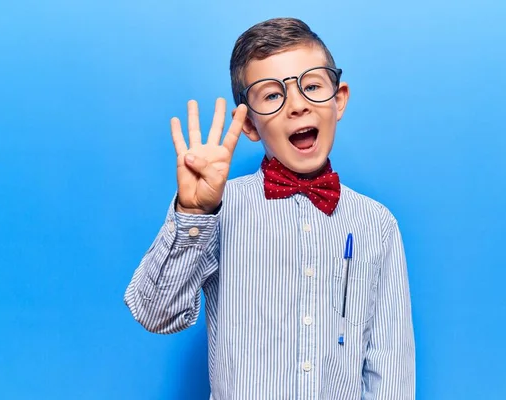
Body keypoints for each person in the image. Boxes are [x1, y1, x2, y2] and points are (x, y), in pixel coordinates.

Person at [124, 17, 415, 399]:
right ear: (248, 125)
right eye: (272, 95)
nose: (297, 105)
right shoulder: (219, 208)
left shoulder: (377, 224)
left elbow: (390, 368)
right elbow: (155, 313)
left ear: (338, 98)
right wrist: (193, 215)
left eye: (312, 85)